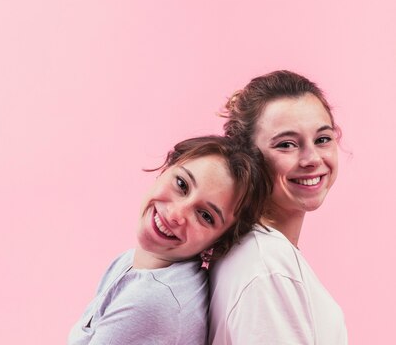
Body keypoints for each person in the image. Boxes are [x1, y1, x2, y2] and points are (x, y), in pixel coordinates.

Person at [69, 136, 271, 345]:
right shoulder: (131, 263)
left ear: (218, 242)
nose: (176, 214)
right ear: (166, 168)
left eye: (205, 215)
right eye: (182, 184)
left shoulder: (152, 301)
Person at [208, 70, 348, 344]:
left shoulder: (255, 250)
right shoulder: (268, 266)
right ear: (248, 158)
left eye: (322, 139)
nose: (311, 158)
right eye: (286, 144)